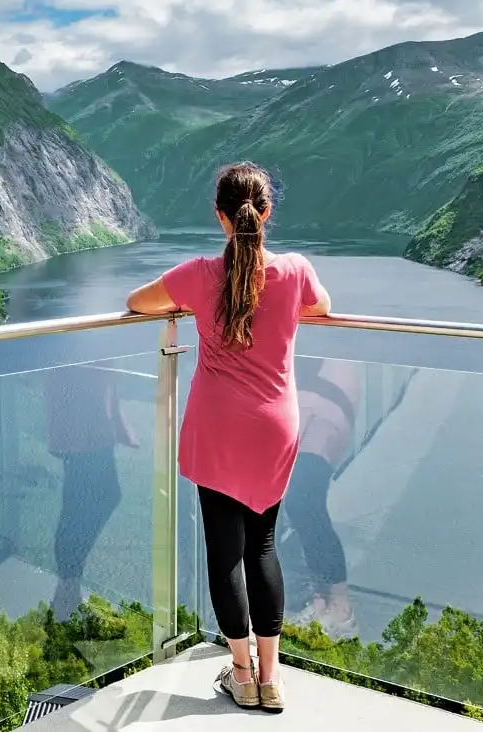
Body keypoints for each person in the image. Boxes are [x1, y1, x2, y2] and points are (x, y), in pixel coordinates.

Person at [125, 162, 331, 712]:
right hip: (274, 426)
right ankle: (272, 677)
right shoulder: (293, 270)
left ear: (220, 217)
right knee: (264, 546)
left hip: (217, 426)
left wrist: (187, 304)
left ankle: (239, 675)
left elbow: (137, 301)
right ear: (266, 214)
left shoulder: (197, 275)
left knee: (225, 556)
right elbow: (322, 307)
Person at [43, 364, 138, 621]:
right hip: (81, 414)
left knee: (82, 498)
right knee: (83, 499)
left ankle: (68, 586)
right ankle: (68, 585)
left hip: (86, 408)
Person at [288, 357, 362, 640]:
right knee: (299, 504)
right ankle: (323, 604)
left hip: (327, 395)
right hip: (299, 394)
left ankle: (342, 610)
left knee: (304, 500)